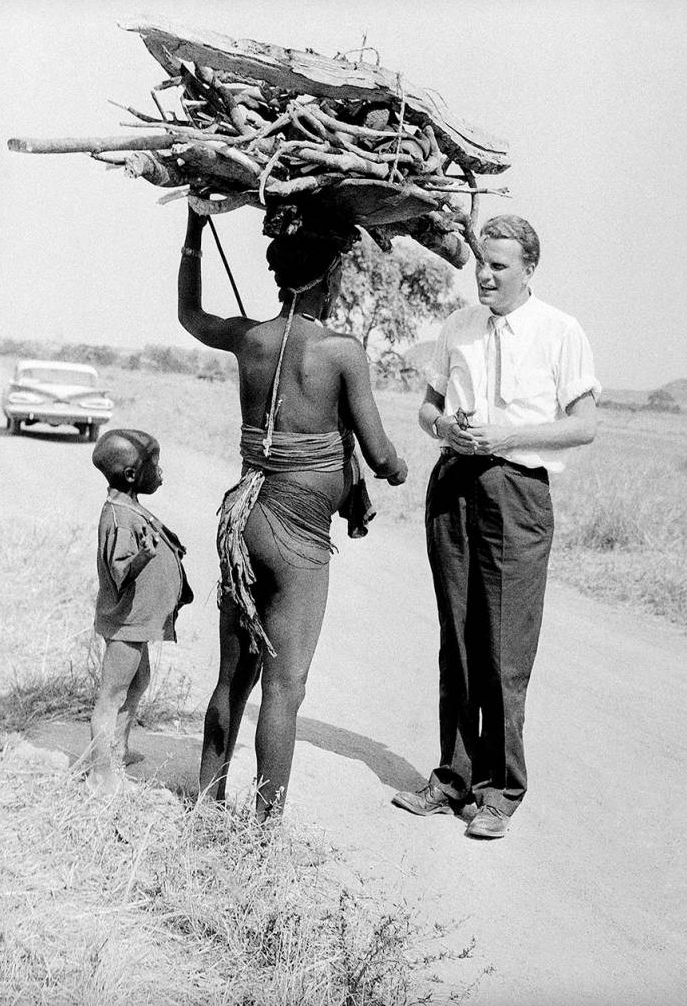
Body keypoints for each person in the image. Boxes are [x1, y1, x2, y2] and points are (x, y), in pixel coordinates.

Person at [178, 206, 408, 819]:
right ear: (329, 277)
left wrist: (196, 230)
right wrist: (396, 469)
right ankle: (264, 833)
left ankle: (205, 803)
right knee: (285, 687)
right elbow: (381, 452)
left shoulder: (250, 338)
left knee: (234, 677)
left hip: (244, 518)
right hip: (299, 533)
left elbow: (190, 316)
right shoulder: (342, 351)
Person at [392, 214, 600, 838]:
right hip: (455, 483)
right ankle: (452, 779)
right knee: (455, 636)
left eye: (499, 265)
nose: (483, 273)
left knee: (504, 647)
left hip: (516, 493)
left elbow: (583, 424)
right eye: (481, 261)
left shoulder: (561, 331)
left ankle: (501, 790)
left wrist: (508, 436)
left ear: (528, 269)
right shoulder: (457, 326)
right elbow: (428, 408)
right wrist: (443, 428)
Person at [86, 428, 193, 797]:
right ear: (131, 475)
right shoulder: (117, 517)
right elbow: (118, 573)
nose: (160, 472)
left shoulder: (130, 506)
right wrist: (143, 557)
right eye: (154, 465)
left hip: (138, 623)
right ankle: (101, 774)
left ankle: (118, 749)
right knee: (112, 695)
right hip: (124, 623)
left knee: (138, 681)